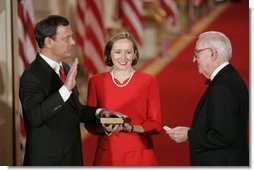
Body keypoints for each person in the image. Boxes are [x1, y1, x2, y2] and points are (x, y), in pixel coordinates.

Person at [19, 15, 123, 166]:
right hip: (47, 162)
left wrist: (101, 113)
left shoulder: (66, 69)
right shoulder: (31, 75)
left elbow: (76, 110)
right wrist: (65, 89)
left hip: (71, 158)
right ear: (49, 42)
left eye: (71, 37)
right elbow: (35, 116)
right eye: (66, 38)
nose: (72, 42)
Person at [164, 31, 249, 166]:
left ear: (212, 53)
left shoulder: (223, 87)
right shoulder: (229, 78)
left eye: (196, 53)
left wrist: (189, 135)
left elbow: (224, 135)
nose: (194, 59)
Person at [85, 32, 162, 166]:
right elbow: (90, 123)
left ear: (135, 55)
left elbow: (156, 124)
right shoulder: (96, 82)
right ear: (109, 54)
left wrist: (131, 128)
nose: (123, 57)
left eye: (128, 52)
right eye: (118, 52)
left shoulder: (148, 81)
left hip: (140, 154)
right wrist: (107, 128)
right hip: (107, 155)